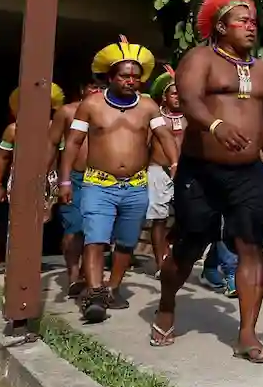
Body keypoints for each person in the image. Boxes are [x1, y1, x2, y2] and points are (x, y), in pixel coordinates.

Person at [152, 0, 263, 363]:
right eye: (242, 20)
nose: (251, 26)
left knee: (251, 247)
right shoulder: (200, 59)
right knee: (189, 246)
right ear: (221, 27)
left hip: (249, 173)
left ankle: (247, 334)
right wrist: (215, 125)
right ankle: (166, 304)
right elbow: (189, 99)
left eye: (254, 21)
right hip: (201, 171)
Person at [59, 41, 177, 323]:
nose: (130, 81)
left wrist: (175, 162)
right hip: (98, 184)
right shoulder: (91, 105)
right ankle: (94, 293)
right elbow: (73, 143)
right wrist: (64, 181)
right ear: (110, 77)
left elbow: (164, 136)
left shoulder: (148, 106)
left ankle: (112, 288)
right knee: (95, 238)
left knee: (126, 242)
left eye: (135, 76)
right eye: (124, 76)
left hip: (136, 185)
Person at [0, 83, 66, 266]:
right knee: (18, 220)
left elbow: (63, 157)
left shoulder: (56, 129)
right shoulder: (13, 129)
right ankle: (19, 262)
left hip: (50, 180)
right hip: (19, 179)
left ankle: (32, 261)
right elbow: (2, 157)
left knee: (43, 221)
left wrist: (63, 183)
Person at [46, 80, 101, 294]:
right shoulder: (67, 112)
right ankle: (73, 275)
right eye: (92, 86)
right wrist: (46, 177)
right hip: (74, 178)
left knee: (94, 230)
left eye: (101, 87)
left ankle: (90, 275)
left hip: (101, 179)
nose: (96, 90)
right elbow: (52, 144)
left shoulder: (110, 112)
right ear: (82, 89)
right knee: (73, 227)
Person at [145, 67, 186, 277]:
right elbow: (145, 144)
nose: (178, 97)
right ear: (164, 96)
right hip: (157, 170)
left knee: (188, 217)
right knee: (159, 219)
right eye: (173, 93)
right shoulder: (155, 118)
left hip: (185, 171)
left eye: (180, 93)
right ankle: (160, 263)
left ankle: (170, 246)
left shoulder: (190, 117)